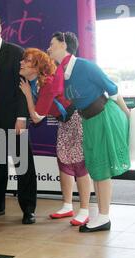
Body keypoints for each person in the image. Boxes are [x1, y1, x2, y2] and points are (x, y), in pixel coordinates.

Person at [47, 31, 130, 232]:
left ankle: (103, 216)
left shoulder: (84, 66)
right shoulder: (61, 73)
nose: (48, 48)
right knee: (96, 167)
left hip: (104, 116)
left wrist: (128, 116)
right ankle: (102, 216)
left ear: (63, 45)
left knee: (102, 168)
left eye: (52, 44)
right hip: (88, 120)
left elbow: (112, 89)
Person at [19, 48, 91, 227]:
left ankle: (84, 210)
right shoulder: (36, 82)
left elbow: (36, 118)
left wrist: (28, 95)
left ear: (36, 66)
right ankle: (67, 205)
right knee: (65, 163)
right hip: (64, 121)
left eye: (26, 60)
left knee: (80, 165)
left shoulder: (47, 83)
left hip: (76, 119)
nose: (21, 63)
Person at [0, 13, 37, 224]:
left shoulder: (15, 52)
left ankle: (28, 208)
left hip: (14, 118)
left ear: (0, 27)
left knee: (23, 165)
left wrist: (22, 117)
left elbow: (23, 88)